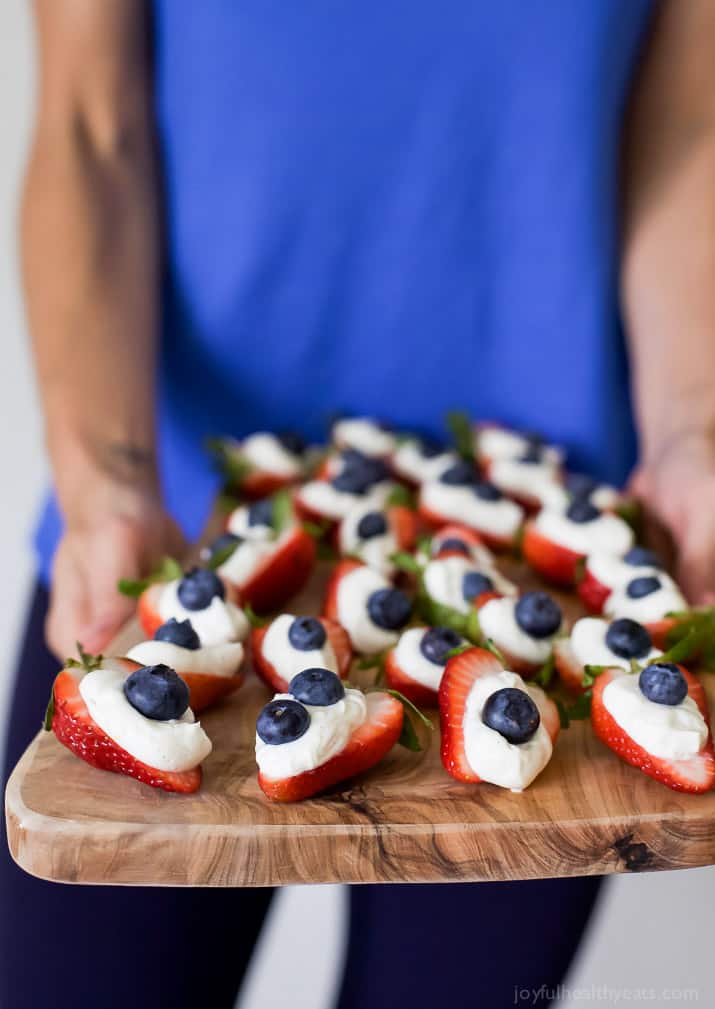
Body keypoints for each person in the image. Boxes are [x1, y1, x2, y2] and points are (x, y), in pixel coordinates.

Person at [3, 1, 715, 1006]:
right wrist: (104, 477)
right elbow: (88, 124)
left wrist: (695, 436)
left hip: (554, 563)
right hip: (179, 537)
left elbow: (690, 127)